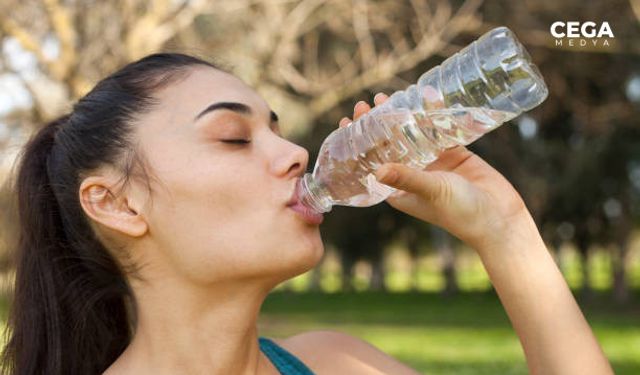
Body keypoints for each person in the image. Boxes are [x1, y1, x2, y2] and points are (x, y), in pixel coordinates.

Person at [0, 53, 613, 375]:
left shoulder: (336, 363)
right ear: (117, 202)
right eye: (234, 138)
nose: (296, 153)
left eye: (278, 131)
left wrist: (504, 229)